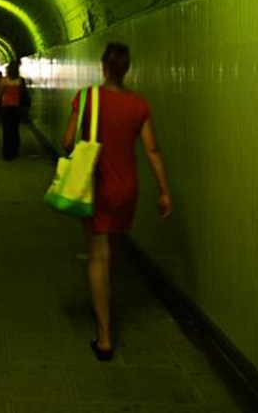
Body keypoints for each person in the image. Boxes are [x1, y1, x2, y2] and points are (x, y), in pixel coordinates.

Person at [62, 42, 172, 362]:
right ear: (127, 69)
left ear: (103, 66)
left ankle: (105, 337)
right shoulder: (139, 106)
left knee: (97, 257)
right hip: (127, 189)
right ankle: (104, 299)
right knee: (114, 246)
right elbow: (152, 150)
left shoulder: (86, 98)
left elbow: (67, 141)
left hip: (97, 185)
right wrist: (164, 191)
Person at [0, 60, 28, 160]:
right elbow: (23, 94)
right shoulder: (20, 81)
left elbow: (0, 93)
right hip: (17, 108)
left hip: (6, 107)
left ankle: (6, 152)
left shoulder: (4, 80)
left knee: (6, 130)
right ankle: (14, 150)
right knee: (15, 129)